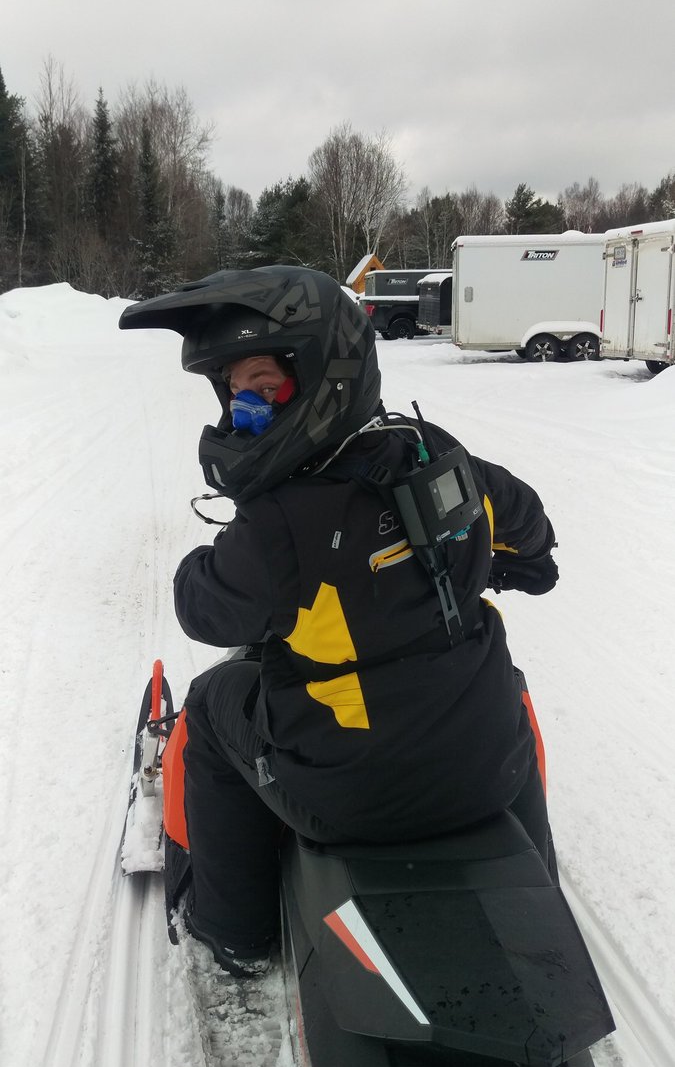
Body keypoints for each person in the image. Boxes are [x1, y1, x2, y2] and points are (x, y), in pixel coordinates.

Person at [119, 265, 559, 977]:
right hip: (492, 770)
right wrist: (520, 561)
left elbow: (202, 609)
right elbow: (525, 519)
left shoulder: (277, 526)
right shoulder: (438, 453)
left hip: (352, 801)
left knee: (210, 704)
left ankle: (233, 929)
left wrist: (201, 559)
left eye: (263, 386)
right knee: (496, 680)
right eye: (233, 390)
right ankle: (540, 875)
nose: (244, 409)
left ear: (324, 375)